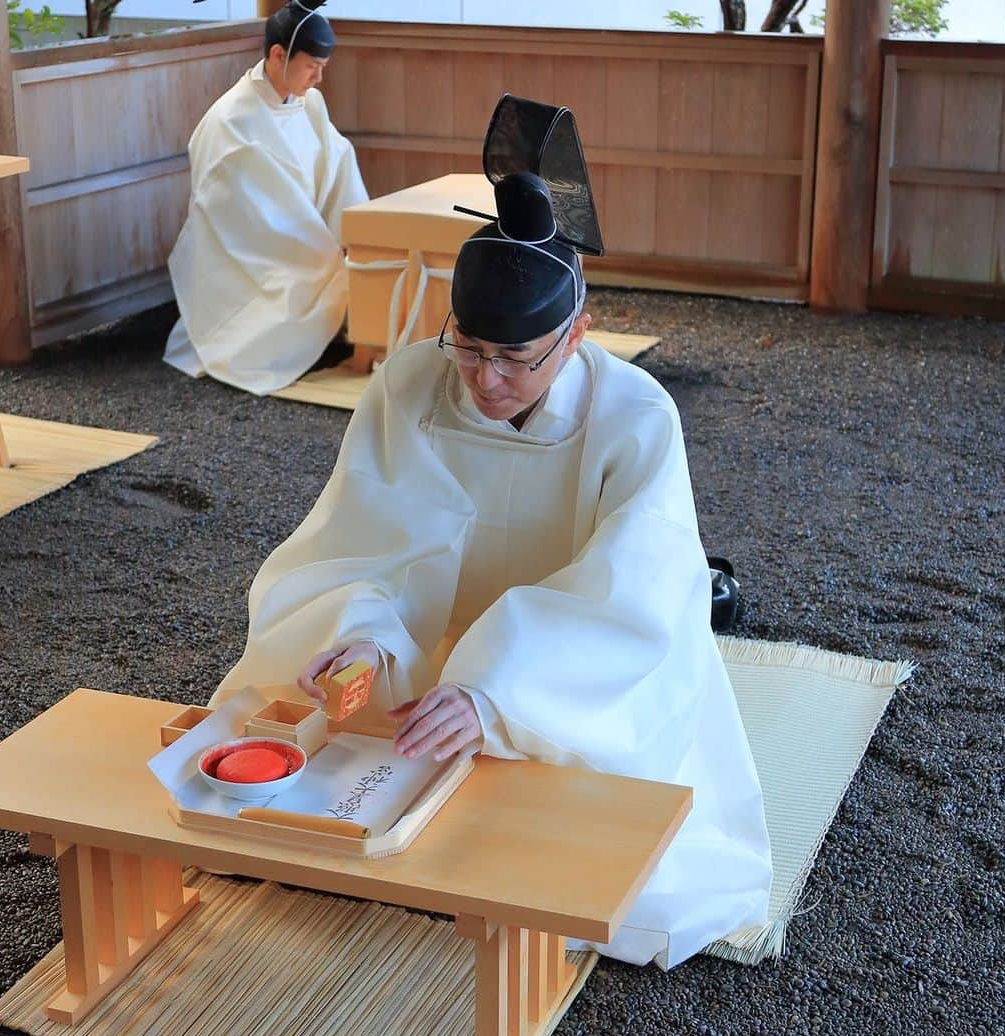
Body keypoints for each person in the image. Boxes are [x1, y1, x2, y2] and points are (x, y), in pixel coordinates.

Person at [211, 96, 772, 968]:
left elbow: (632, 601)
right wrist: (360, 635)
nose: (486, 380)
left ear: (578, 334)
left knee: (608, 873)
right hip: (424, 655)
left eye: (518, 358)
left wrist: (496, 692)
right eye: (469, 348)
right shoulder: (411, 385)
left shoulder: (636, 418)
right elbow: (366, 540)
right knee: (295, 759)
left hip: (564, 675)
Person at [163, 0, 368, 394]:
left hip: (302, 231)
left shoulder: (309, 103)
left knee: (353, 259)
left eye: (323, 67)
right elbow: (243, 209)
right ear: (278, 55)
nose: (319, 78)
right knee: (319, 270)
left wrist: (354, 233)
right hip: (256, 250)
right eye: (312, 66)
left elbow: (338, 160)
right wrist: (320, 244)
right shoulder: (232, 120)